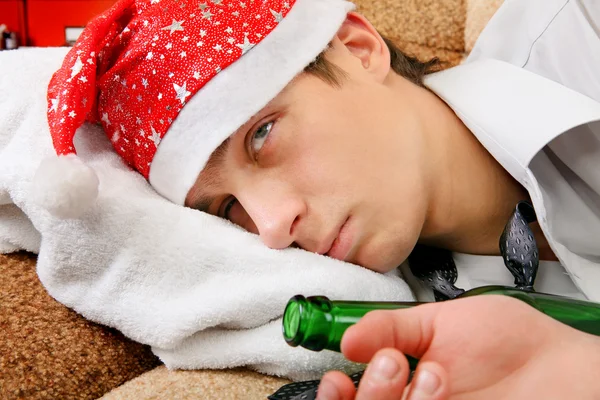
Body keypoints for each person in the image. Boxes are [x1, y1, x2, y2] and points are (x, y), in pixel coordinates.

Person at [41, 0, 600, 398]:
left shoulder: (580, 29)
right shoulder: (423, 339)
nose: (272, 225)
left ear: (358, 49)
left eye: (261, 134)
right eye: (228, 209)